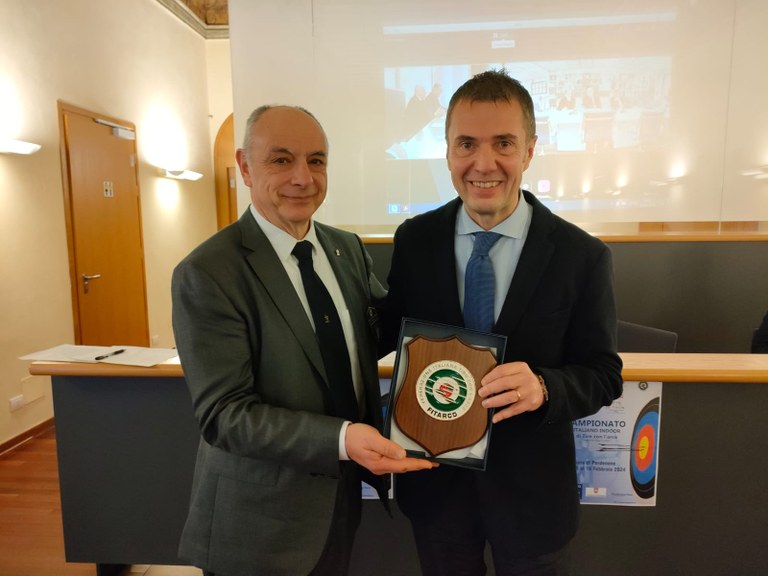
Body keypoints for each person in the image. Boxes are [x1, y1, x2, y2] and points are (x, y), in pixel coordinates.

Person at [172, 105, 435, 576]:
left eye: (316, 160)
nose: (303, 177)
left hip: (340, 504)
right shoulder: (209, 272)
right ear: (245, 167)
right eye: (281, 159)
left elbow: (374, 335)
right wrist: (343, 438)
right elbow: (225, 415)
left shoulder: (345, 248)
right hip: (257, 525)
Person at [379, 70, 624, 575]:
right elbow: (387, 335)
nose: (483, 163)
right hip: (436, 490)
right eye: (466, 143)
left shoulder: (581, 256)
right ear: (448, 150)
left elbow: (603, 373)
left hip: (533, 500)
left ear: (529, 150)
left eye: (504, 143)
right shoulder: (415, 241)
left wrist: (545, 387)